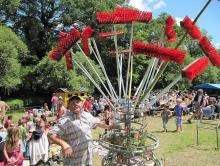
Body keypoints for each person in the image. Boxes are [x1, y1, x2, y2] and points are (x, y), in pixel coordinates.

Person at [48, 95, 113, 166]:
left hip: (88, 160)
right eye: (72, 103)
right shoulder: (64, 120)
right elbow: (50, 134)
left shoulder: (86, 115)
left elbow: (97, 123)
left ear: (82, 104)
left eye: (77, 102)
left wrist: (108, 126)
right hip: (73, 162)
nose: (75, 104)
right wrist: (64, 144)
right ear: (68, 106)